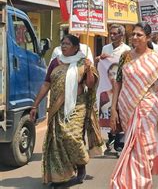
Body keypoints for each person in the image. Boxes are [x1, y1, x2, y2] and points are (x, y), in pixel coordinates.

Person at [109, 22, 158, 189]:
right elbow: (118, 82)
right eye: (133, 34)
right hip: (127, 107)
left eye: (139, 35)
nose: (134, 37)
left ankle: (141, 184)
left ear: (148, 38)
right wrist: (113, 108)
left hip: (148, 108)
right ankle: (129, 182)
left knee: (144, 149)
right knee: (131, 147)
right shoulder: (125, 56)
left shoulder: (157, 59)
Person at [29, 35, 104, 186]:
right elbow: (46, 84)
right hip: (57, 107)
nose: (63, 46)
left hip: (77, 106)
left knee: (72, 136)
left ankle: (81, 165)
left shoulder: (83, 63)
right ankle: (61, 175)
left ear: (76, 47)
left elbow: (90, 85)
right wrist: (35, 105)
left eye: (67, 44)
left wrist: (89, 70)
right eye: (62, 43)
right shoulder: (55, 62)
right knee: (57, 140)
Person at [96, 24, 131, 155]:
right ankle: (111, 139)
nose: (112, 36)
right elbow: (101, 64)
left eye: (115, 33)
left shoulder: (127, 50)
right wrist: (100, 59)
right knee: (108, 112)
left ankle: (119, 143)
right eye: (110, 33)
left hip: (122, 87)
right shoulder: (106, 48)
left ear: (121, 35)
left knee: (120, 112)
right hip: (108, 86)